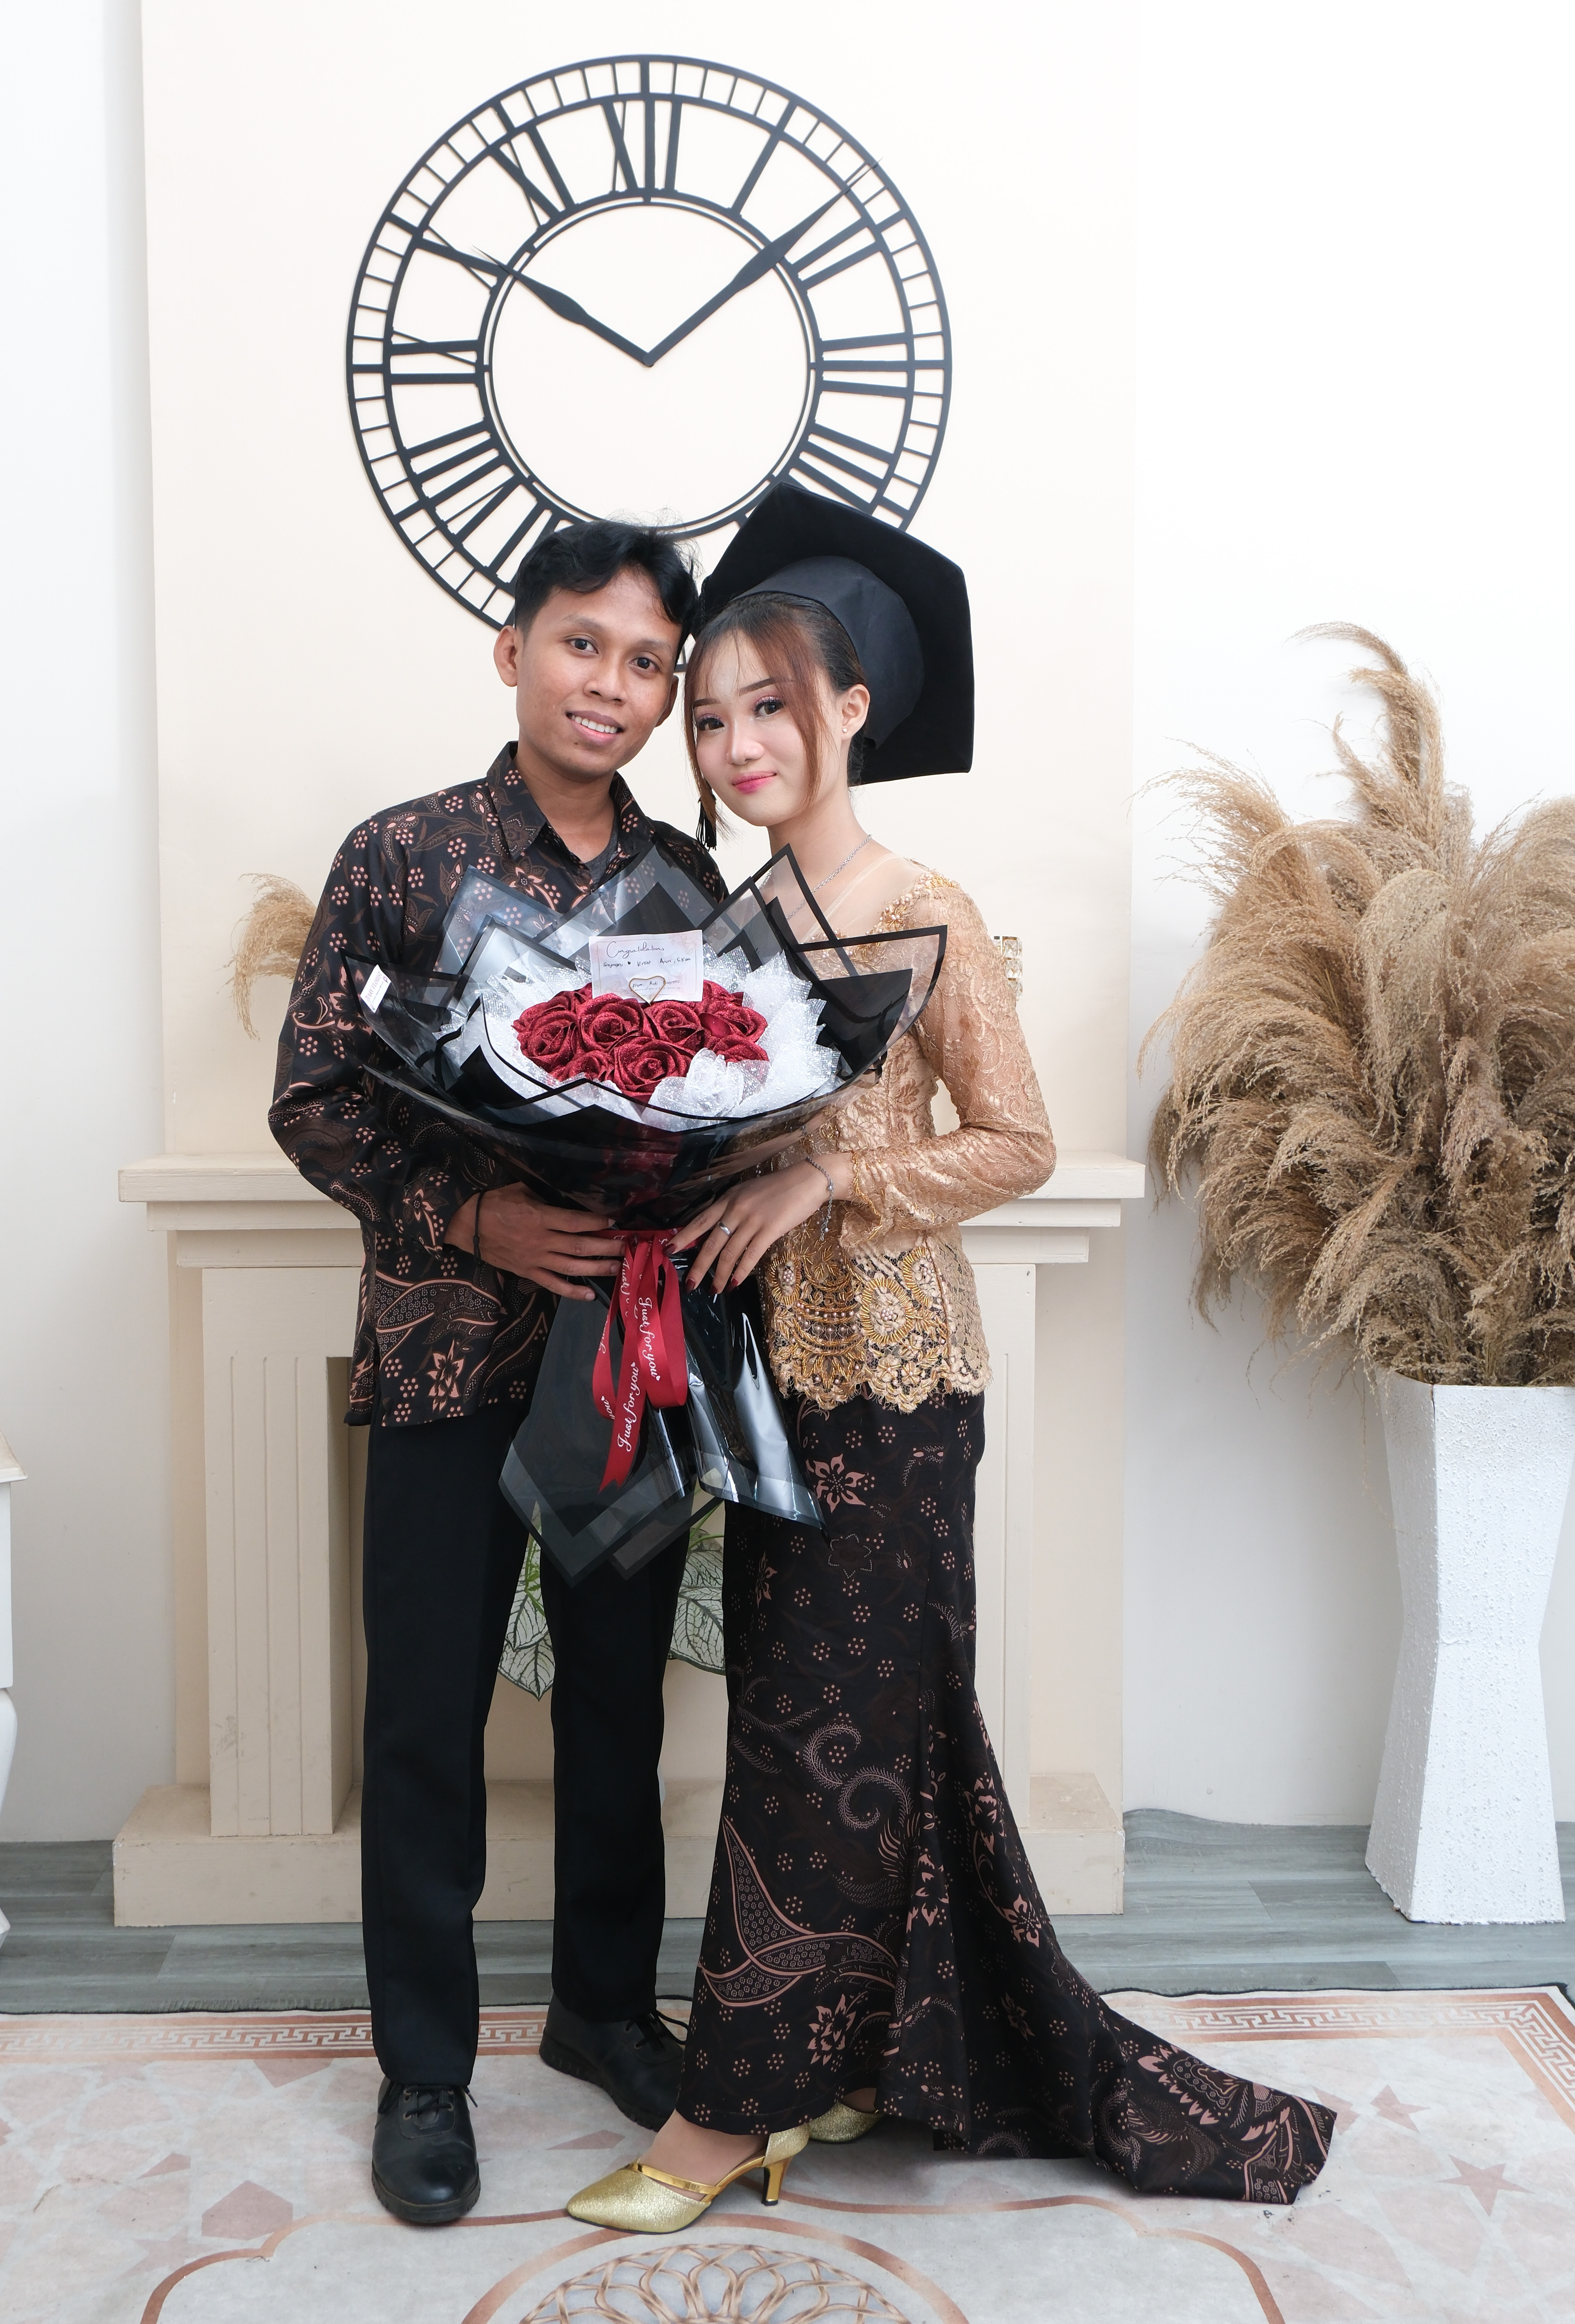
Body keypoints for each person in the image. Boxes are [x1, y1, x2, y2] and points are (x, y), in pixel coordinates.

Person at [568, 486, 1334, 2232]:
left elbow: (1019, 1140)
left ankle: (725, 2114)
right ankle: (861, 2056)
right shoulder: (726, 919)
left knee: (817, 1733)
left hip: (899, 1383)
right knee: (845, 1728)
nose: (736, 742)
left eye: (770, 705)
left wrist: (834, 1177)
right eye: (711, 715)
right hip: (765, 1381)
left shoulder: (928, 909)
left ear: (848, 711)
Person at [269, 521, 726, 2228]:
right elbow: (314, 1094)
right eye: (581, 643)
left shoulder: (688, 881)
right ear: (512, 648)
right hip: (446, 1356)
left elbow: (720, 1080)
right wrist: (475, 1213)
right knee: (425, 1716)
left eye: (645, 662)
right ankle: (423, 2073)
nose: (610, 683)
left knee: (617, 1702)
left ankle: (604, 2007)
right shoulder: (400, 854)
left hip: (621, 1361)